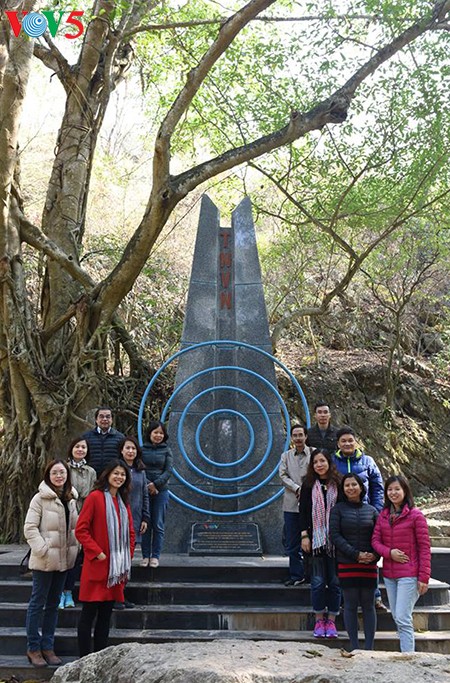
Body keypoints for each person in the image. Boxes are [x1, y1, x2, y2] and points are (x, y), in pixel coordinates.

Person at [75, 459, 135, 657]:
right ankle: (84, 658)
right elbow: (81, 530)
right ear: (107, 475)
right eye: (116, 473)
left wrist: (127, 555)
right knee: (88, 616)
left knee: (105, 617)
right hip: (97, 566)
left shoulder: (123, 502)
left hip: (115, 570)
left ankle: (99, 658)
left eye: (123, 474)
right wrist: (97, 551)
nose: (119, 477)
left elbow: (131, 533)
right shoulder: (95, 497)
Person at [24, 460, 79, 668]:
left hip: (65, 560)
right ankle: (33, 648)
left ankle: (48, 646)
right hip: (45, 560)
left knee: (53, 605)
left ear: (67, 475)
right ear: (48, 475)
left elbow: (75, 527)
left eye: (62, 472)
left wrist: (77, 547)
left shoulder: (71, 498)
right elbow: (29, 528)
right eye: (55, 472)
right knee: (37, 604)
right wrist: (43, 548)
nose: (59, 476)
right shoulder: (40, 498)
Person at [372, 475, 431, 652]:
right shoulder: (383, 515)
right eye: (390, 489)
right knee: (398, 616)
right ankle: (406, 653)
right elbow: (375, 541)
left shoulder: (415, 515)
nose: (393, 492)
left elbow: (424, 548)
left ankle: (408, 657)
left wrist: (424, 577)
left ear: (405, 491)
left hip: (409, 574)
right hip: (390, 575)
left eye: (397, 489)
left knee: (402, 617)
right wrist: (389, 553)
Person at [332, 425, 386, 611]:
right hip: (342, 513)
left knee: (370, 551)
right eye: (343, 441)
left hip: (366, 513)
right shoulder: (332, 461)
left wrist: (377, 511)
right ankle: (343, 597)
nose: (347, 443)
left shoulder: (368, 461)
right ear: (338, 444)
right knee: (345, 553)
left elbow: (378, 488)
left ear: (356, 442)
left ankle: (375, 596)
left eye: (350, 440)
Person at [329, 474, 379, 651]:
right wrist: (355, 554)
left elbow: (379, 536)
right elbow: (335, 535)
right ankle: (355, 646)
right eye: (347, 485)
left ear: (361, 487)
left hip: (369, 565)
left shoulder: (372, 510)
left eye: (354, 484)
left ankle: (370, 648)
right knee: (349, 605)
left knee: (368, 605)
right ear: (343, 490)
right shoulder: (338, 510)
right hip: (347, 563)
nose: (351, 488)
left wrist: (374, 555)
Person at [298, 449, 341, 639]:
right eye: (315, 462)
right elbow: (303, 512)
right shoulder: (308, 485)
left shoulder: (338, 483)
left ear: (329, 463)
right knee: (317, 583)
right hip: (315, 542)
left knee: (334, 582)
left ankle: (331, 620)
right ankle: (318, 620)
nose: (319, 465)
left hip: (336, 542)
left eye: (322, 461)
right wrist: (304, 536)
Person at [59, 437, 97, 609]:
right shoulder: (63, 468)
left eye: (83, 447)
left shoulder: (91, 472)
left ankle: (69, 592)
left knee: (76, 557)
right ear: (71, 449)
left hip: (84, 516)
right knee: (63, 555)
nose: (80, 450)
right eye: (77, 446)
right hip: (66, 514)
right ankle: (60, 592)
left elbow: (93, 493)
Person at [116, 435, 150, 608]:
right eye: (127, 448)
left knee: (127, 560)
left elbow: (145, 495)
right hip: (116, 520)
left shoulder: (141, 471)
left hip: (135, 519)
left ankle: (121, 594)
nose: (130, 451)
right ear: (121, 450)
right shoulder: (115, 469)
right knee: (117, 559)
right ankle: (116, 596)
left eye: (133, 449)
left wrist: (145, 517)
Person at [279, 424, 311, 586]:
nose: (298, 438)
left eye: (301, 435)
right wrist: (296, 488)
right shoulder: (286, 456)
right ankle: (296, 574)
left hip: (311, 504)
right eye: (295, 435)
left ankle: (312, 574)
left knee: (312, 541)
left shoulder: (313, 454)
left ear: (306, 436)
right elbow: (282, 475)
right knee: (292, 542)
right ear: (291, 438)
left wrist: (306, 489)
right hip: (291, 504)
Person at [141, 420, 173, 568]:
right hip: (144, 490)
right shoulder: (141, 450)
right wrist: (148, 484)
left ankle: (155, 556)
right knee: (146, 524)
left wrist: (156, 484)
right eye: (155, 432)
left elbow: (168, 471)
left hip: (161, 491)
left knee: (158, 524)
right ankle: (145, 555)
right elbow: (138, 468)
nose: (158, 435)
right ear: (150, 433)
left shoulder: (167, 450)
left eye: (161, 433)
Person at [81, 406, 125, 476]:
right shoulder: (86, 437)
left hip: (112, 477)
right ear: (96, 419)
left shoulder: (120, 437)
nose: (105, 419)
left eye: (108, 417)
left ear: (112, 419)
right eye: (101, 417)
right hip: (91, 476)